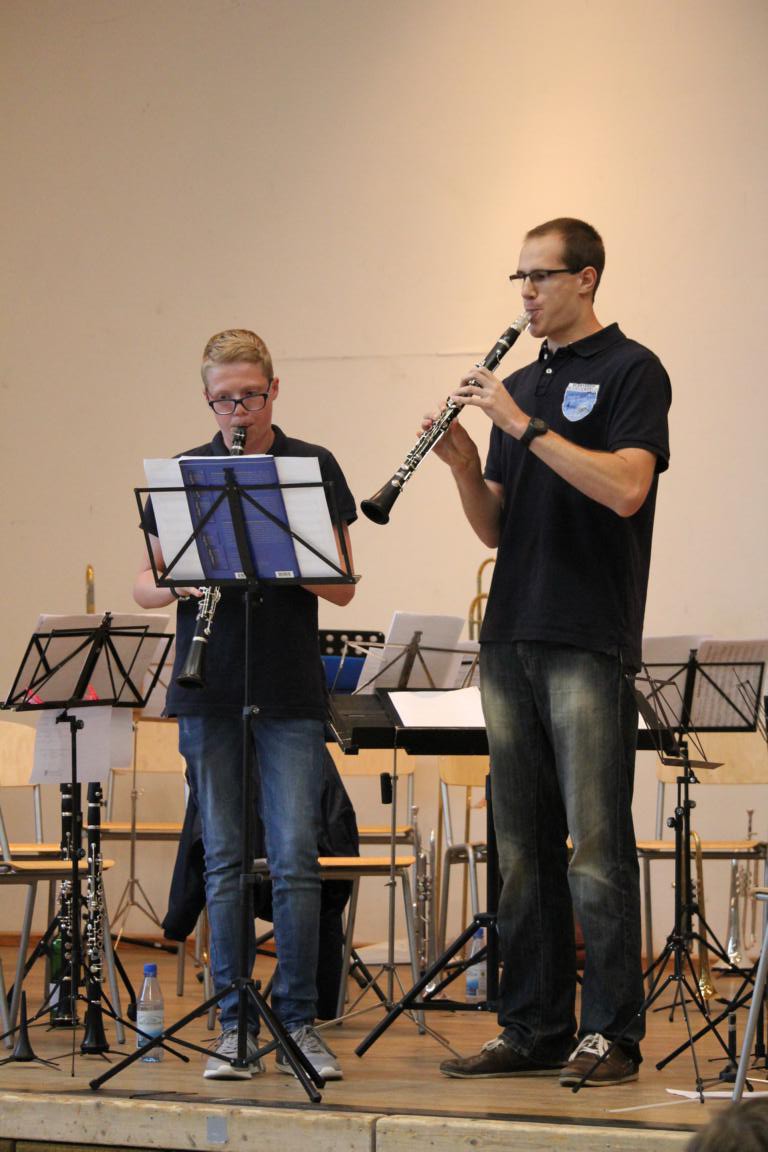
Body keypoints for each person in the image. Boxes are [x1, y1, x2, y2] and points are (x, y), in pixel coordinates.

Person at [433, 219, 671, 1087]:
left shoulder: (632, 369)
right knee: (522, 847)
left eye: (540, 276)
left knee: (595, 847)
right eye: (519, 278)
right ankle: (532, 1025)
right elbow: (497, 526)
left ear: (586, 278)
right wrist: (466, 465)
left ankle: (611, 1033)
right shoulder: (525, 382)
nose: (526, 293)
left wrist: (520, 422)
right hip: (510, 634)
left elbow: (626, 487)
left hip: (585, 632)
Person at [134, 329, 357, 1081]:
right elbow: (145, 582)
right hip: (211, 685)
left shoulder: (310, 466)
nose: (239, 411)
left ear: (274, 390)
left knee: (295, 860)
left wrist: (278, 554)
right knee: (225, 860)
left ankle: (298, 1022)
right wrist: (182, 578)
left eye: (251, 397)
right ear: (207, 398)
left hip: (289, 687)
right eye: (224, 399)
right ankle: (233, 1026)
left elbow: (342, 583)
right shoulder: (186, 475)